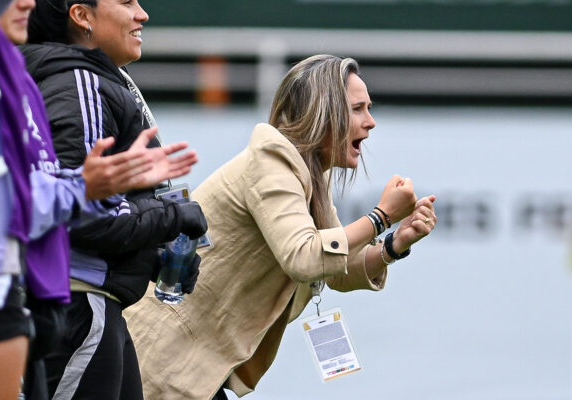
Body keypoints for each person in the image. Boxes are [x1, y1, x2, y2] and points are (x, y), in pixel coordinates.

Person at [0, 0, 194, 398]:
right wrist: (100, 193)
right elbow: (6, 208)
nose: (28, 2)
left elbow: (16, 199)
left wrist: (84, 186)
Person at [124, 54, 439, 399]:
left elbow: (338, 268)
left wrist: (394, 243)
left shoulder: (308, 172)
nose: (371, 122)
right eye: (358, 109)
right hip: (162, 358)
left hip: (192, 364)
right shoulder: (272, 161)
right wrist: (381, 217)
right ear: (323, 113)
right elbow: (305, 258)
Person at [21, 0, 208, 398]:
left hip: (92, 303)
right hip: (78, 302)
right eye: (126, 2)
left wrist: (151, 256)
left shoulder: (88, 79)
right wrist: (172, 217)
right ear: (81, 16)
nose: (142, 14)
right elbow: (83, 212)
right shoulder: (79, 81)